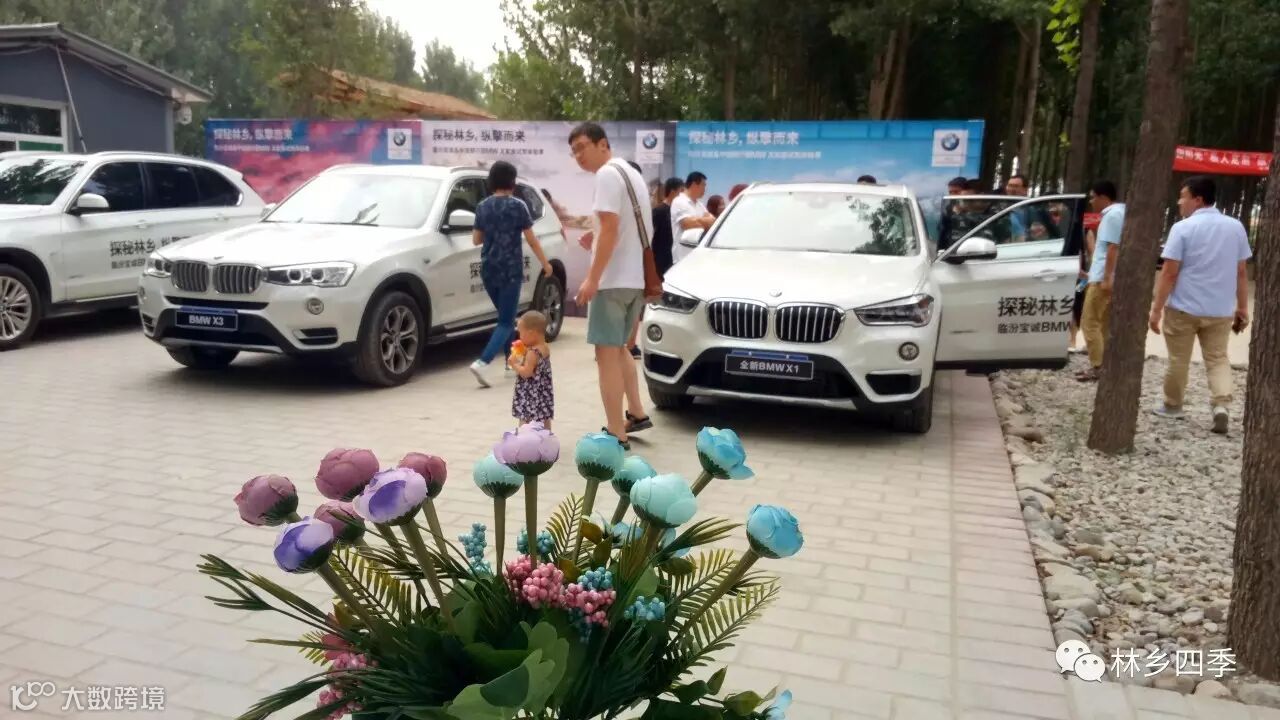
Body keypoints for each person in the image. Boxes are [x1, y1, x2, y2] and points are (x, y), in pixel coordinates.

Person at [568, 122, 654, 447]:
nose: (578, 156)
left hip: (612, 281)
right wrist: (596, 237)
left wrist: (593, 278)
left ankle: (616, 431)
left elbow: (610, 228)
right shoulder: (631, 174)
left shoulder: (606, 174)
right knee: (619, 349)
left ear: (602, 144)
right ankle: (637, 412)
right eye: (574, 151)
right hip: (635, 280)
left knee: (605, 355)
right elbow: (623, 226)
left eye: (582, 147)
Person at [1150, 176, 1252, 433]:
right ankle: (1221, 405)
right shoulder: (1235, 227)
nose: (1179, 202)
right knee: (1217, 358)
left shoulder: (1182, 229)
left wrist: (1156, 309)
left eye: (1183, 196)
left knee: (1178, 359)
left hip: (1183, 307)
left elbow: (1169, 272)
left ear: (1198, 199)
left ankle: (1173, 405)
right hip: (1220, 309)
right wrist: (1242, 307)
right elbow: (1241, 271)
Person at [468, 161, 553, 388]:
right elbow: (532, 240)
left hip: (488, 269)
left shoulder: (483, 206)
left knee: (506, 317)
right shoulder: (518, 206)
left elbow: (476, 240)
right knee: (506, 321)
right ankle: (482, 362)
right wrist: (546, 264)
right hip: (510, 271)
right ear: (512, 182)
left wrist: (493, 233)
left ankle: (510, 362)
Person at [1075, 180, 1124, 382]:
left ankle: (1098, 366)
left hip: (1103, 279)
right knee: (1103, 324)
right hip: (1101, 275)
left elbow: (1113, 248)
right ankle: (1106, 366)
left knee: (1089, 322)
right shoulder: (1118, 213)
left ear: (1103, 197)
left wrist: (1106, 277)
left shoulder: (1112, 215)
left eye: (1093, 197)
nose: (1091, 201)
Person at [508, 310, 554, 429]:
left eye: (521, 333)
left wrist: (514, 364)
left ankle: (524, 436)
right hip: (543, 393)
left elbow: (527, 373)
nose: (520, 337)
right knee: (544, 417)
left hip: (530, 394)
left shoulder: (533, 353)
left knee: (525, 418)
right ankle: (547, 436)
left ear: (531, 334)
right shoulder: (544, 347)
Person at [670, 171, 716, 265]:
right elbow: (687, 224)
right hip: (682, 258)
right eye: (703, 185)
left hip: (697, 257)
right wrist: (704, 222)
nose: (705, 189)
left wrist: (698, 220)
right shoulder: (679, 201)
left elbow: (713, 222)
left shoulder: (699, 205)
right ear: (694, 184)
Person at [652, 177, 683, 277]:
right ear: (673, 192)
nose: (683, 196)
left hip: (675, 257)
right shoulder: (659, 211)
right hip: (661, 260)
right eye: (681, 191)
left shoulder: (680, 212)